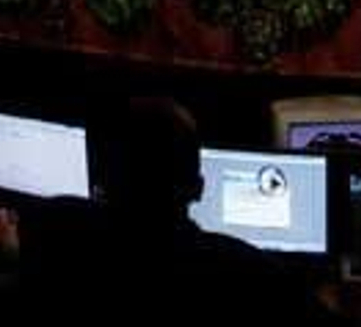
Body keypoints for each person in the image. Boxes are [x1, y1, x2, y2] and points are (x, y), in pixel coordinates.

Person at [21, 97, 330, 324]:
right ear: (198, 188)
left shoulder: (58, 232)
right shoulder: (250, 271)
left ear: (101, 184)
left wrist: (8, 245)